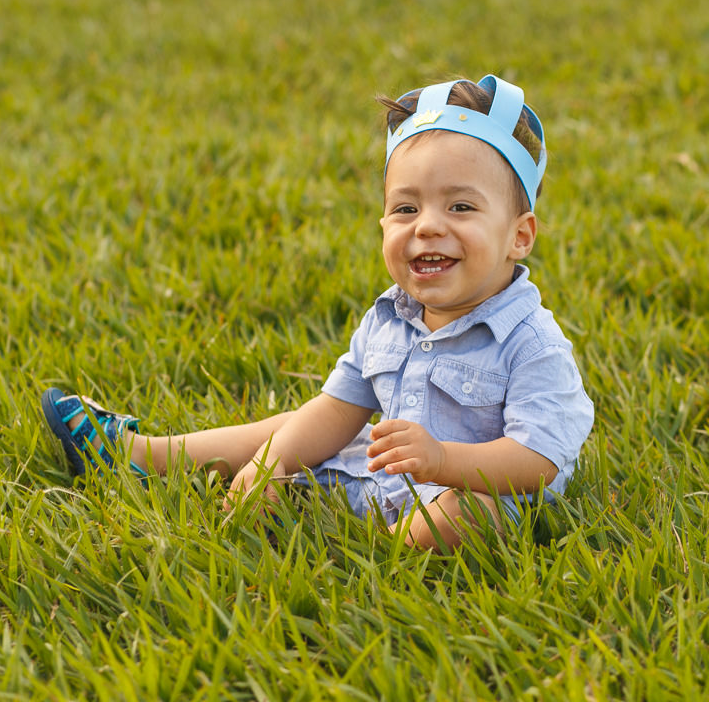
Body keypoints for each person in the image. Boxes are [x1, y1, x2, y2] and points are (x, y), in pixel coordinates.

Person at [41, 74, 594, 550]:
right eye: (406, 208)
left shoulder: (531, 343)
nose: (427, 225)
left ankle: (382, 549)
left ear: (519, 236)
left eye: (461, 206)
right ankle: (145, 455)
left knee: (469, 514)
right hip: (381, 479)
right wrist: (272, 462)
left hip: (477, 489)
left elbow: (538, 460)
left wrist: (442, 461)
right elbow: (336, 409)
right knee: (293, 432)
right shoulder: (390, 317)